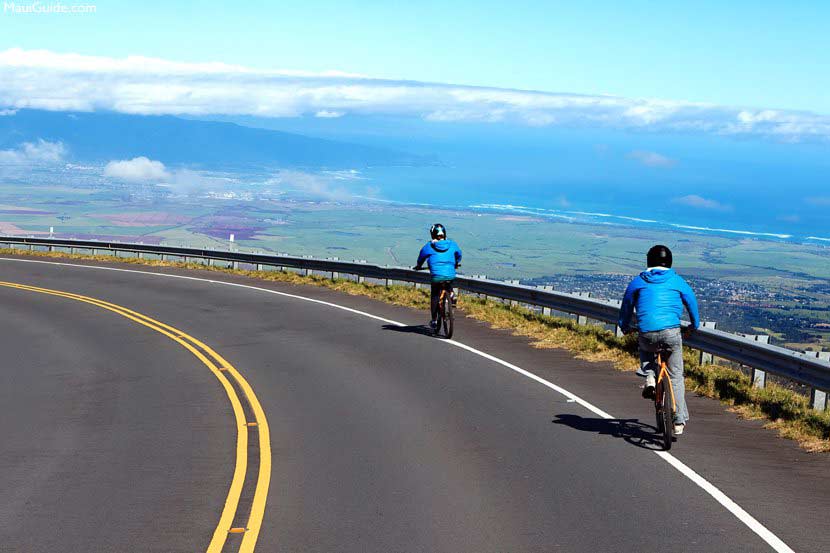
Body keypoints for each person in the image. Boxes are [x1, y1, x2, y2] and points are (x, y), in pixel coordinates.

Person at [618, 244, 700, 435]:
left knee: (646, 350)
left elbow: (627, 305)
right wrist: (694, 326)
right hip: (671, 333)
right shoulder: (677, 281)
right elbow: (691, 302)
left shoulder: (638, 281)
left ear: (649, 261)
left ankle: (650, 377)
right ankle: (679, 422)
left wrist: (624, 326)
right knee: (676, 376)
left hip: (646, 331)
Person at [414, 223, 462, 331]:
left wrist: (418, 266)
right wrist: (456, 262)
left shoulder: (429, 246)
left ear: (432, 234)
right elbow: (459, 254)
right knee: (449, 284)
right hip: (450, 274)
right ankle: (452, 296)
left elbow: (421, 256)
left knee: (435, 295)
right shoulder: (452, 244)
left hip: (436, 276)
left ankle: (434, 320)